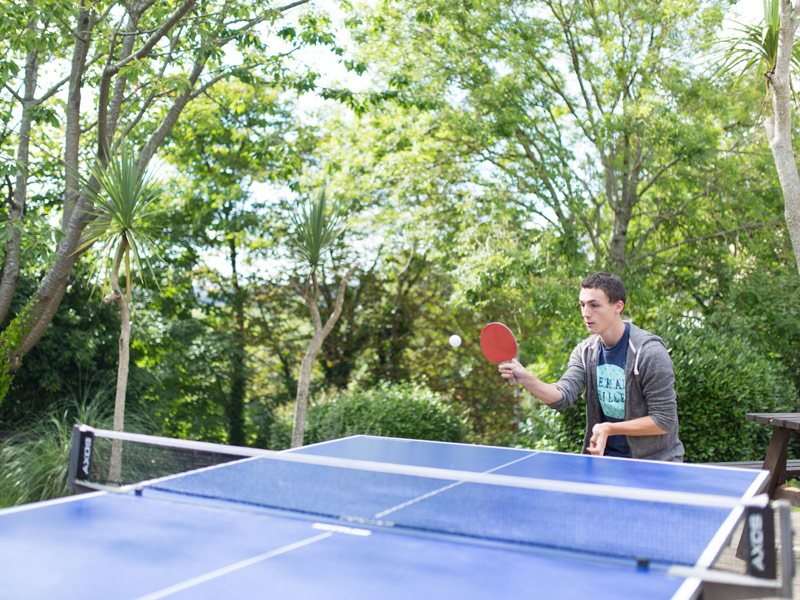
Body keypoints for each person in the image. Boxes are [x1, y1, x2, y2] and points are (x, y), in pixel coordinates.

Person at [499, 272, 684, 461]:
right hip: (606, 461)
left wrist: (609, 428)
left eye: (594, 305)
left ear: (618, 306)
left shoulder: (649, 353)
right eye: (582, 305)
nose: (586, 313)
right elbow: (562, 396)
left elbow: (664, 420)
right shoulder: (586, 351)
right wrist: (525, 378)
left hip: (654, 463)